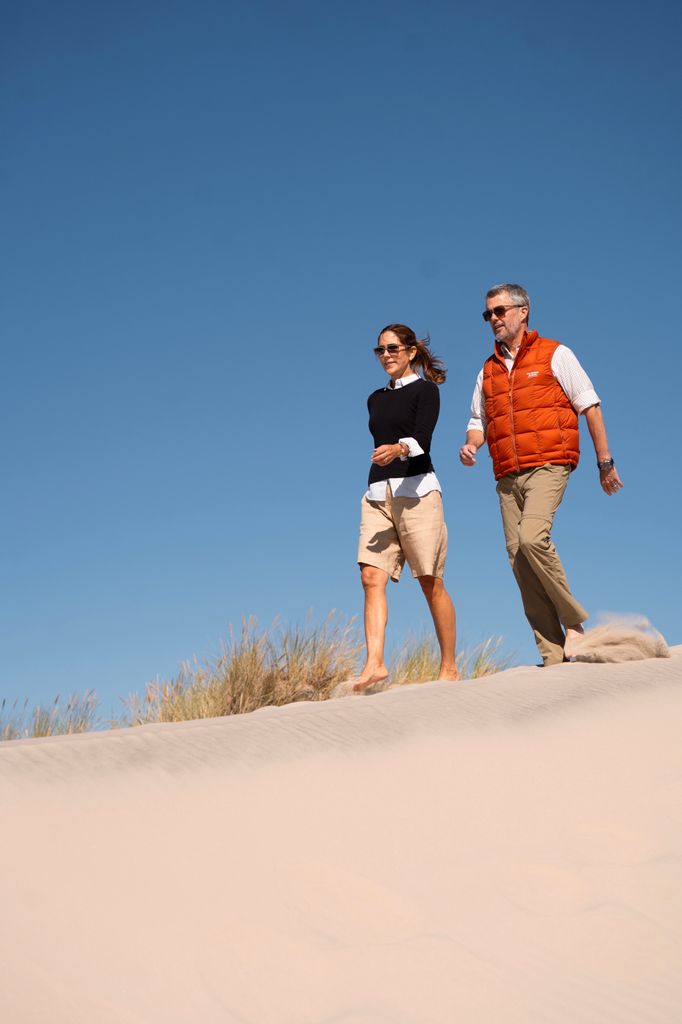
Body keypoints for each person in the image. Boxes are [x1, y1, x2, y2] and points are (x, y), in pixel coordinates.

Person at [459, 284, 623, 666]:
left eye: (500, 311)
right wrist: (472, 445)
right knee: (518, 557)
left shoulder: (556, 354)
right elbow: (477, 420)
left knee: (532, 538)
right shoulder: (488, 369)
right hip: (506, 474)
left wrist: (605, 463)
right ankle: (552, 656)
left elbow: (591, 405)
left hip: (549, 462)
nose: (494, 319)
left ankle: (574, 625)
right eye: (488, 314)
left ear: (523, 312)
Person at [355, 324, 459, 692]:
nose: (386, 355)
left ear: (411, 351)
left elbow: (424, 440)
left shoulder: (426, 391)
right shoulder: (374, 399)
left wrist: (398, 449)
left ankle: (449, 667)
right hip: (377, 494)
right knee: (371, 578)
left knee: (430, 580)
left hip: (418, 492)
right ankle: (374, 665)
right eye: (380, 350)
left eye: (393, 348)